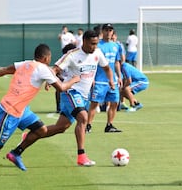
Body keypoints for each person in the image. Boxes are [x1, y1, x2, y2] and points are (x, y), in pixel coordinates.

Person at [0, 44, 80, 177]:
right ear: (46, 57)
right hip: (8, 111)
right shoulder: (43, 69)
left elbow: (5, 69)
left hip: (22, 110)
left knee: (41, 130)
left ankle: (16, 153)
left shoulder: (26, 64)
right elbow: (61, 87)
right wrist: (74, 79)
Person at [6, 30, 114, 169]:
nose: (94, 47)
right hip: (71, 92)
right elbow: (55, 69)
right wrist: (49, 81)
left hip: (83, 96)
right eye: (92, 44)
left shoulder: (97, 53)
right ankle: (81, 156)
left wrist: (111, 80)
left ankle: (21, 146)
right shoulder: (72, 55)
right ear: (85, 41)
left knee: (60, 128)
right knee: (83, 117)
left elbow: (106, 68)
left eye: (96, 44)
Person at [86, 23, 122, 133]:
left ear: (113, 32)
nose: (108, 32)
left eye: (110, 30)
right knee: (95, 103)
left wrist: (119, 76)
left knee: (114, 102)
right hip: (100, 80)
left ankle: (109, 125)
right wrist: (91, 77)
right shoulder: (98, 46)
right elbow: (93, 62)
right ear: (103, 31)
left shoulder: (116, 46)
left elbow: (116, 62)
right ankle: (88, 125)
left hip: (112, 80)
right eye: (106, 30)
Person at [55, 43, 77, 113]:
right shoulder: (63, 61)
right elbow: (56, 72)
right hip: (64, 82)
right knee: (58, 89)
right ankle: (59, 107)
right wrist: (62, 79)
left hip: (74, 83)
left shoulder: (77, 60)